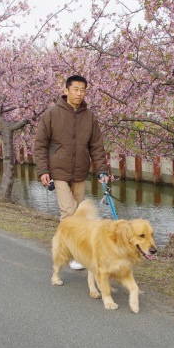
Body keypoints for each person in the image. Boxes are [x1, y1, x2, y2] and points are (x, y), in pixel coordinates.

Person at [34, 75, 110, 270]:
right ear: (66, 90)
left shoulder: (89, 116)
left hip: (80, 172)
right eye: (75, 89)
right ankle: (75, 253)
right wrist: (43, 169)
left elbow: (97, 146)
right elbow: (40, 144)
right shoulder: (51, 114)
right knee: (68, 212)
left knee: (79, 212)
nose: (79, 93)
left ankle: (66, 247)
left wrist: (102, 170)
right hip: (57, 171)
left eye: (83, 90)